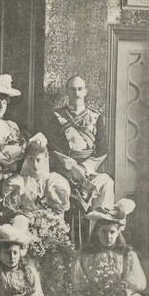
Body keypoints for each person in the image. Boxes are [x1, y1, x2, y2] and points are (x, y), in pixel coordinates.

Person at [67, 198, 149, 296]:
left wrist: (121, 293)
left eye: (112, 232)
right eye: (104, 232)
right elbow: (78, 279)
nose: (108, 237)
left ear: (117, 233)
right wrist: (92, 291)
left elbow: (137, 282)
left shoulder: (127, 254)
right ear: (97, 233)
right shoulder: (85, 254)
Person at [3, 133, 74, 296]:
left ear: (47, 159)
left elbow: (60, 211)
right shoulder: (20, 181)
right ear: (26, 160)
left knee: (55, 252)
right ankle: (22, 295)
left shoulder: (54, 181)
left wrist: (48, 221)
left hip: (48, 226)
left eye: (39, 160)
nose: (35, 165)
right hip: (27, 227)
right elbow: (14, 210)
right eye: (31, 160)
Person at [41, 74, 114, 211]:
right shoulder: (56, 116)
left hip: (88, 172)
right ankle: (59, 231)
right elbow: (53, 146)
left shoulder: (96, 117)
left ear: (85, 91)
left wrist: (84, 168)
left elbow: (103, 149)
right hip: (65, 171)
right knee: (55, 186)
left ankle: (99, 229)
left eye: (80, 89)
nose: (77, 93)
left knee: (106, 183)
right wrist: (73, 167)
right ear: (67, 92)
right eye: (73, 89)